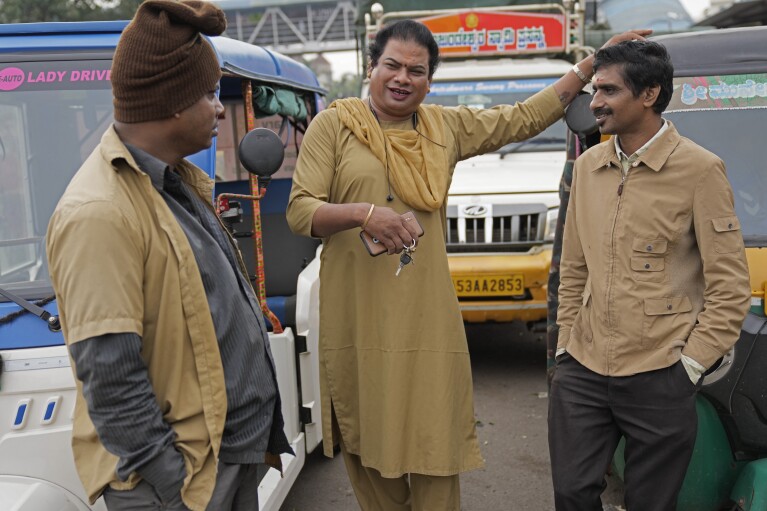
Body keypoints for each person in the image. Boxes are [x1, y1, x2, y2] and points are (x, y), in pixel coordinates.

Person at [286, 18, 648, 510]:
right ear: (371, 68)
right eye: (391, 65)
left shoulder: (443, 128)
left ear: (428, 81)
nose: (402, 78)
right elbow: (301, 210)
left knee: (435, 446)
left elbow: (522, 117)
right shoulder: (335, 125)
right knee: (370, 446)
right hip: (358, 318)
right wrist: (362, 214)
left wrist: (590, 65)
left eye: (416, 70)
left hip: (426, 320)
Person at [46, 2, 291, 510]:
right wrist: (172, 484)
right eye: (207, 94)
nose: (220, 108)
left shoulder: (176, 182)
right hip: (183, 483)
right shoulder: (99, 212)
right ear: (173, 102)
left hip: (220, 461)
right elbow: (111, 376)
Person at [549, 40, 752, 510]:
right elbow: (574, 269)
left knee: (651, 503)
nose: (594, 101)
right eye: (594, 89)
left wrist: (689, 368)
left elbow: (730, 288)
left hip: (662, 372)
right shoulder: (588, 167)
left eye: (608, 90)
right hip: (584, 366)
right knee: (571, 493)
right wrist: (564, 348)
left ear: (649, 94)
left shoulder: (700, 171)